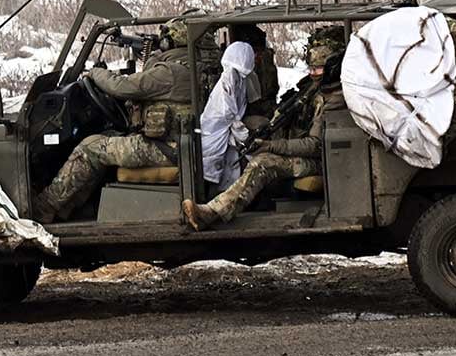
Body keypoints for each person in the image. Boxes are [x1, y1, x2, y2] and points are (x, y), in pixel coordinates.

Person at [33, 18, 196, 223]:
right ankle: (73, 207)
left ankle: (44, 209)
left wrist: (95, 73)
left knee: (90, 148)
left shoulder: (170, 72)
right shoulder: (189, 66)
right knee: (106, 138)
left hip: (166, 148)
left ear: (169, 42)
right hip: (178, 145)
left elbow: (122, 87)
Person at [181, 29, 346, 231]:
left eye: (318, 69)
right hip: (303, 150)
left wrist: (271, 145)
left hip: (322, 161)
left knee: (263, 162)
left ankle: (213, 212)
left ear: (332, 67)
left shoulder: (334, 98)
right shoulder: (313, 88)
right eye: (310, 68)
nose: (313, 73)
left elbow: (315, 145)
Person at [200, 41, 255, 190]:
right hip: (215, 130)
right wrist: (238, 127)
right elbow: (226, 110)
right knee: (211, 167)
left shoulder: (239, 78)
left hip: (222, 129)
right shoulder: (229, 77)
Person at [229, 24, 279, 128]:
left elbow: (269, 91)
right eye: (255, 53)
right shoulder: (235, 73)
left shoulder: (262, 65)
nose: (258, 57)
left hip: (263, 109)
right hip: (244, 117)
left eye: (260, 53)